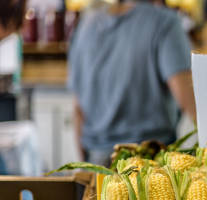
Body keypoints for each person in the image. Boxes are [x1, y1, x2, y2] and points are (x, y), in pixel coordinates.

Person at [68, 0, 197, 166]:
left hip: (96, 159)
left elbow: (78, 108)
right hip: (150, 163)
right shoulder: (165, 22)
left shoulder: (87, 24)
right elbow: (189, 100)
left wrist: (85, 164)